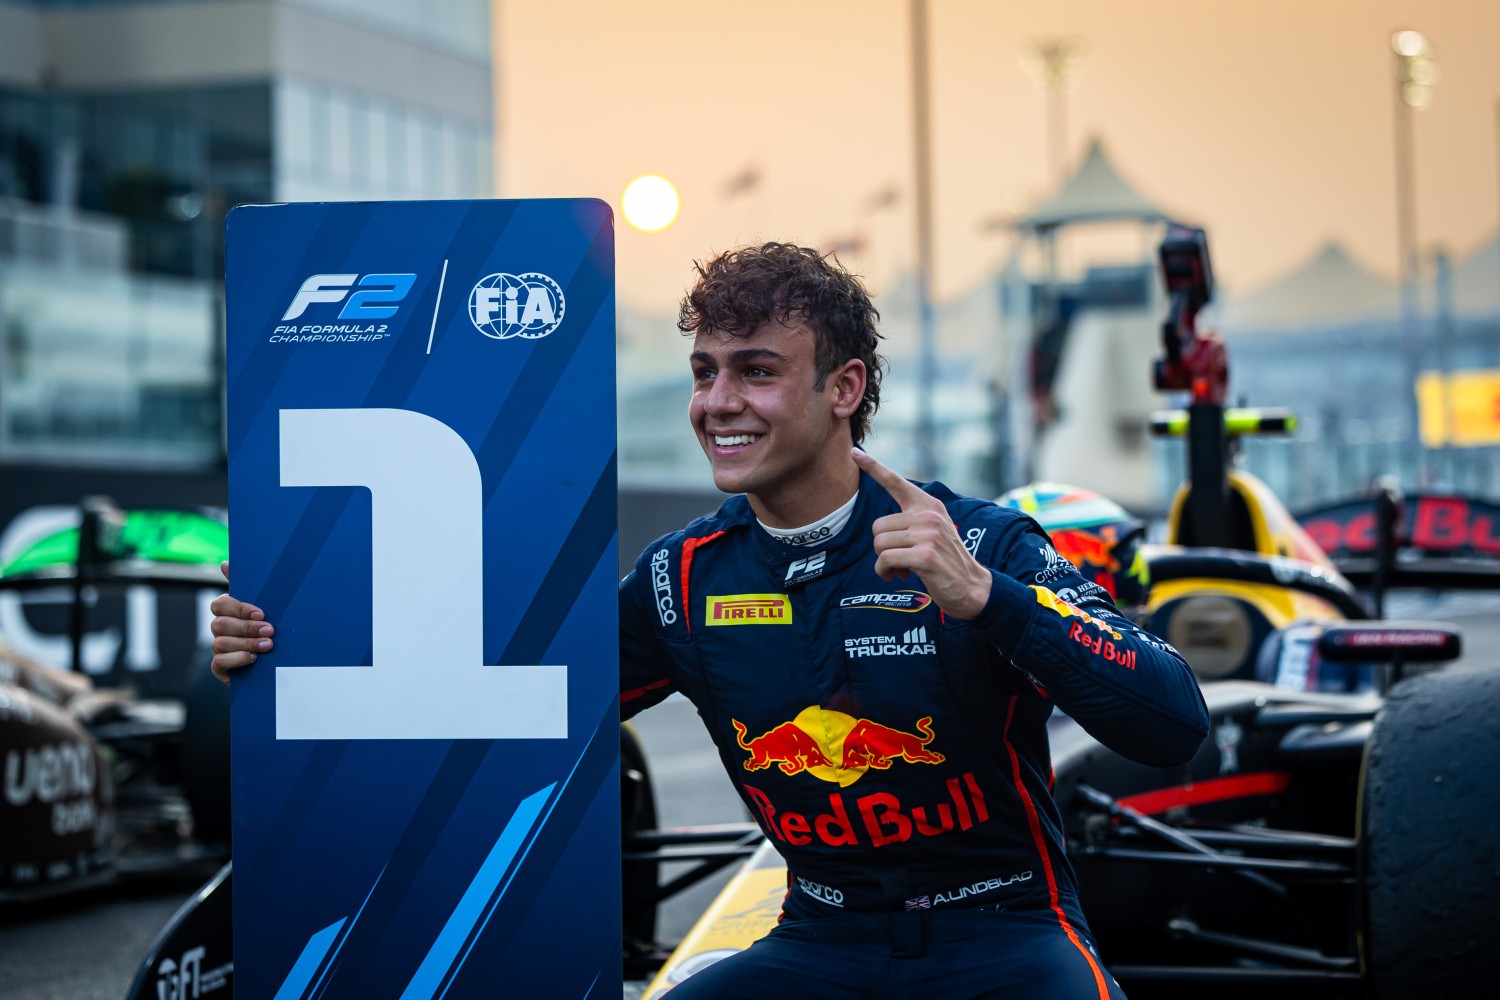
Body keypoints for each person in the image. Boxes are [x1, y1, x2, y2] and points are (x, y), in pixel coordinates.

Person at [212, 242, 1210, 999]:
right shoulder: (681, 578)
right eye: (704, 371)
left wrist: (989, 601)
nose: (717, 402)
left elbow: (1174, 723)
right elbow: (486, 704)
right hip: (818, 943)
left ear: (845, 388)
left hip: (1007, 938)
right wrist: (285, 644)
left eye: (756, 371)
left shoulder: (978, 542)